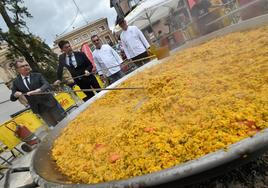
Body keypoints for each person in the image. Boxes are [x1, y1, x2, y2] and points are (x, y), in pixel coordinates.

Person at [10, 59, 65, 127]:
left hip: (51, 104)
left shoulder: (38, 75)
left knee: (65, 121)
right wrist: (15, 95)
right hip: (40, 110)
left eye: (26, 65)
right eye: (22, 66)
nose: (26, 67)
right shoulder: (16, 82)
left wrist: (39, 90)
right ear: (18, 69)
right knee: (54, 127)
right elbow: (12, 98)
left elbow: (46, 84)